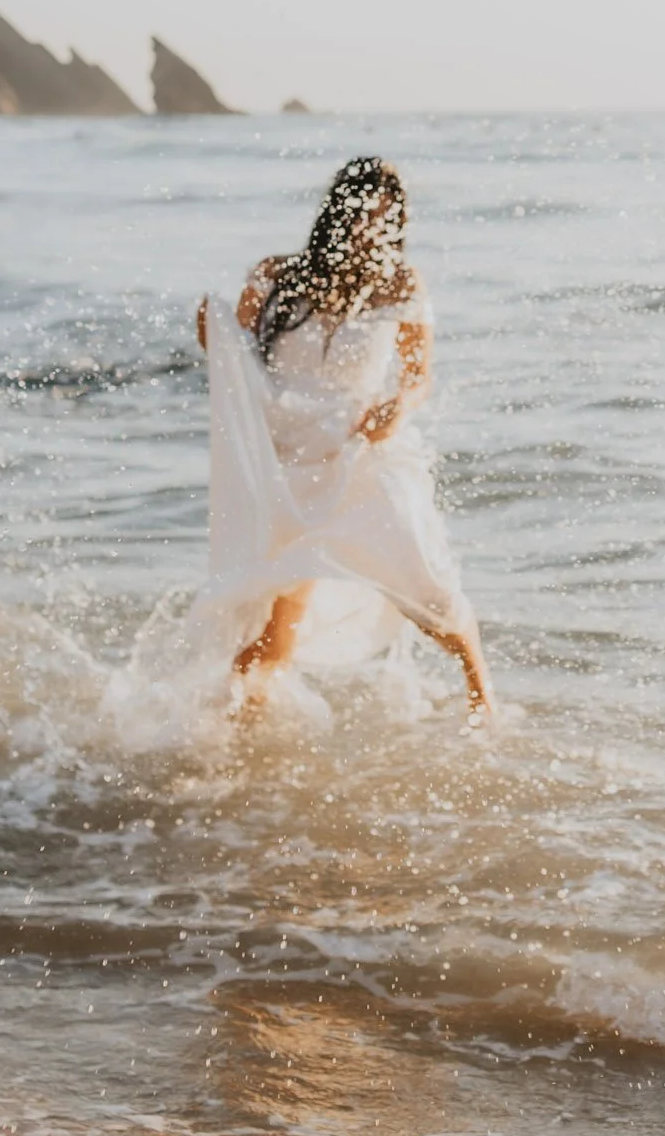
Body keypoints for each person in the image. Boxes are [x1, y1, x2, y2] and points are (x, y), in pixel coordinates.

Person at [190, 156, 493, 720]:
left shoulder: (400, 283)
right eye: (359, 215)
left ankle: (484, 704)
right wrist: (211, 331)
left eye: (382, 219)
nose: (366, 230)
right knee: (273, 618)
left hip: (359, 457)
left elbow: (419, 376)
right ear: (335, 212)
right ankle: (233, 733)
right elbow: (237, 365)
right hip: (285, 467)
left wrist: (397, 405)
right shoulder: (276, 275)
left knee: (425, 588)